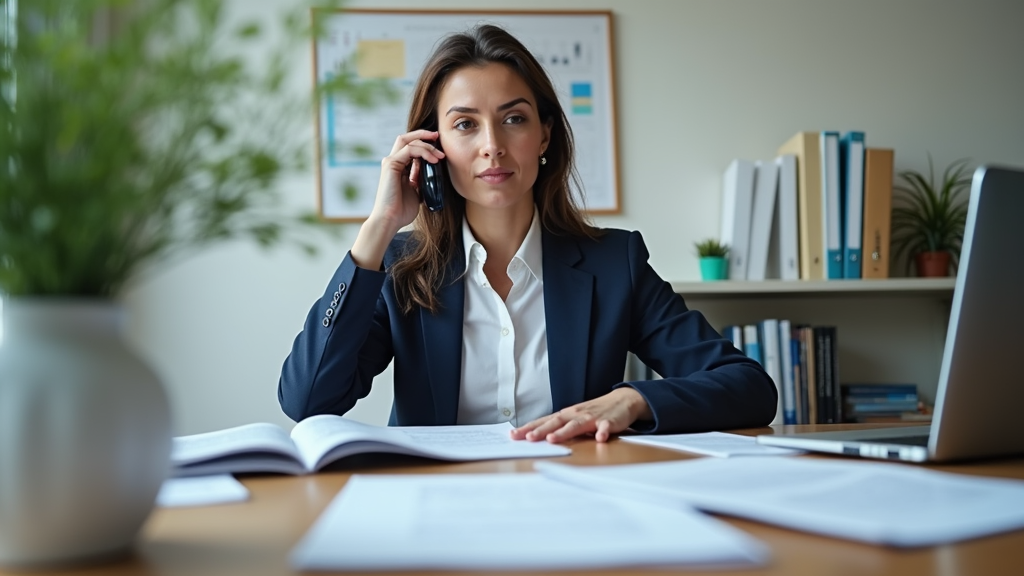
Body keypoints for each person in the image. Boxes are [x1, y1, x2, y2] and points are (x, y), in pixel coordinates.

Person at [278, 24, 777, 443]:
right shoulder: (401, 267)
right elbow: (309, 401)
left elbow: (749, 387)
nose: (492, 146)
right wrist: (379, 229)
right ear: (434, 146)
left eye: (513, 119)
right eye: (466, 125)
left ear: (544, 135)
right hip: (437, 507)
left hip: (573, 500)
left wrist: (634, 399)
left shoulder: (613, 263)